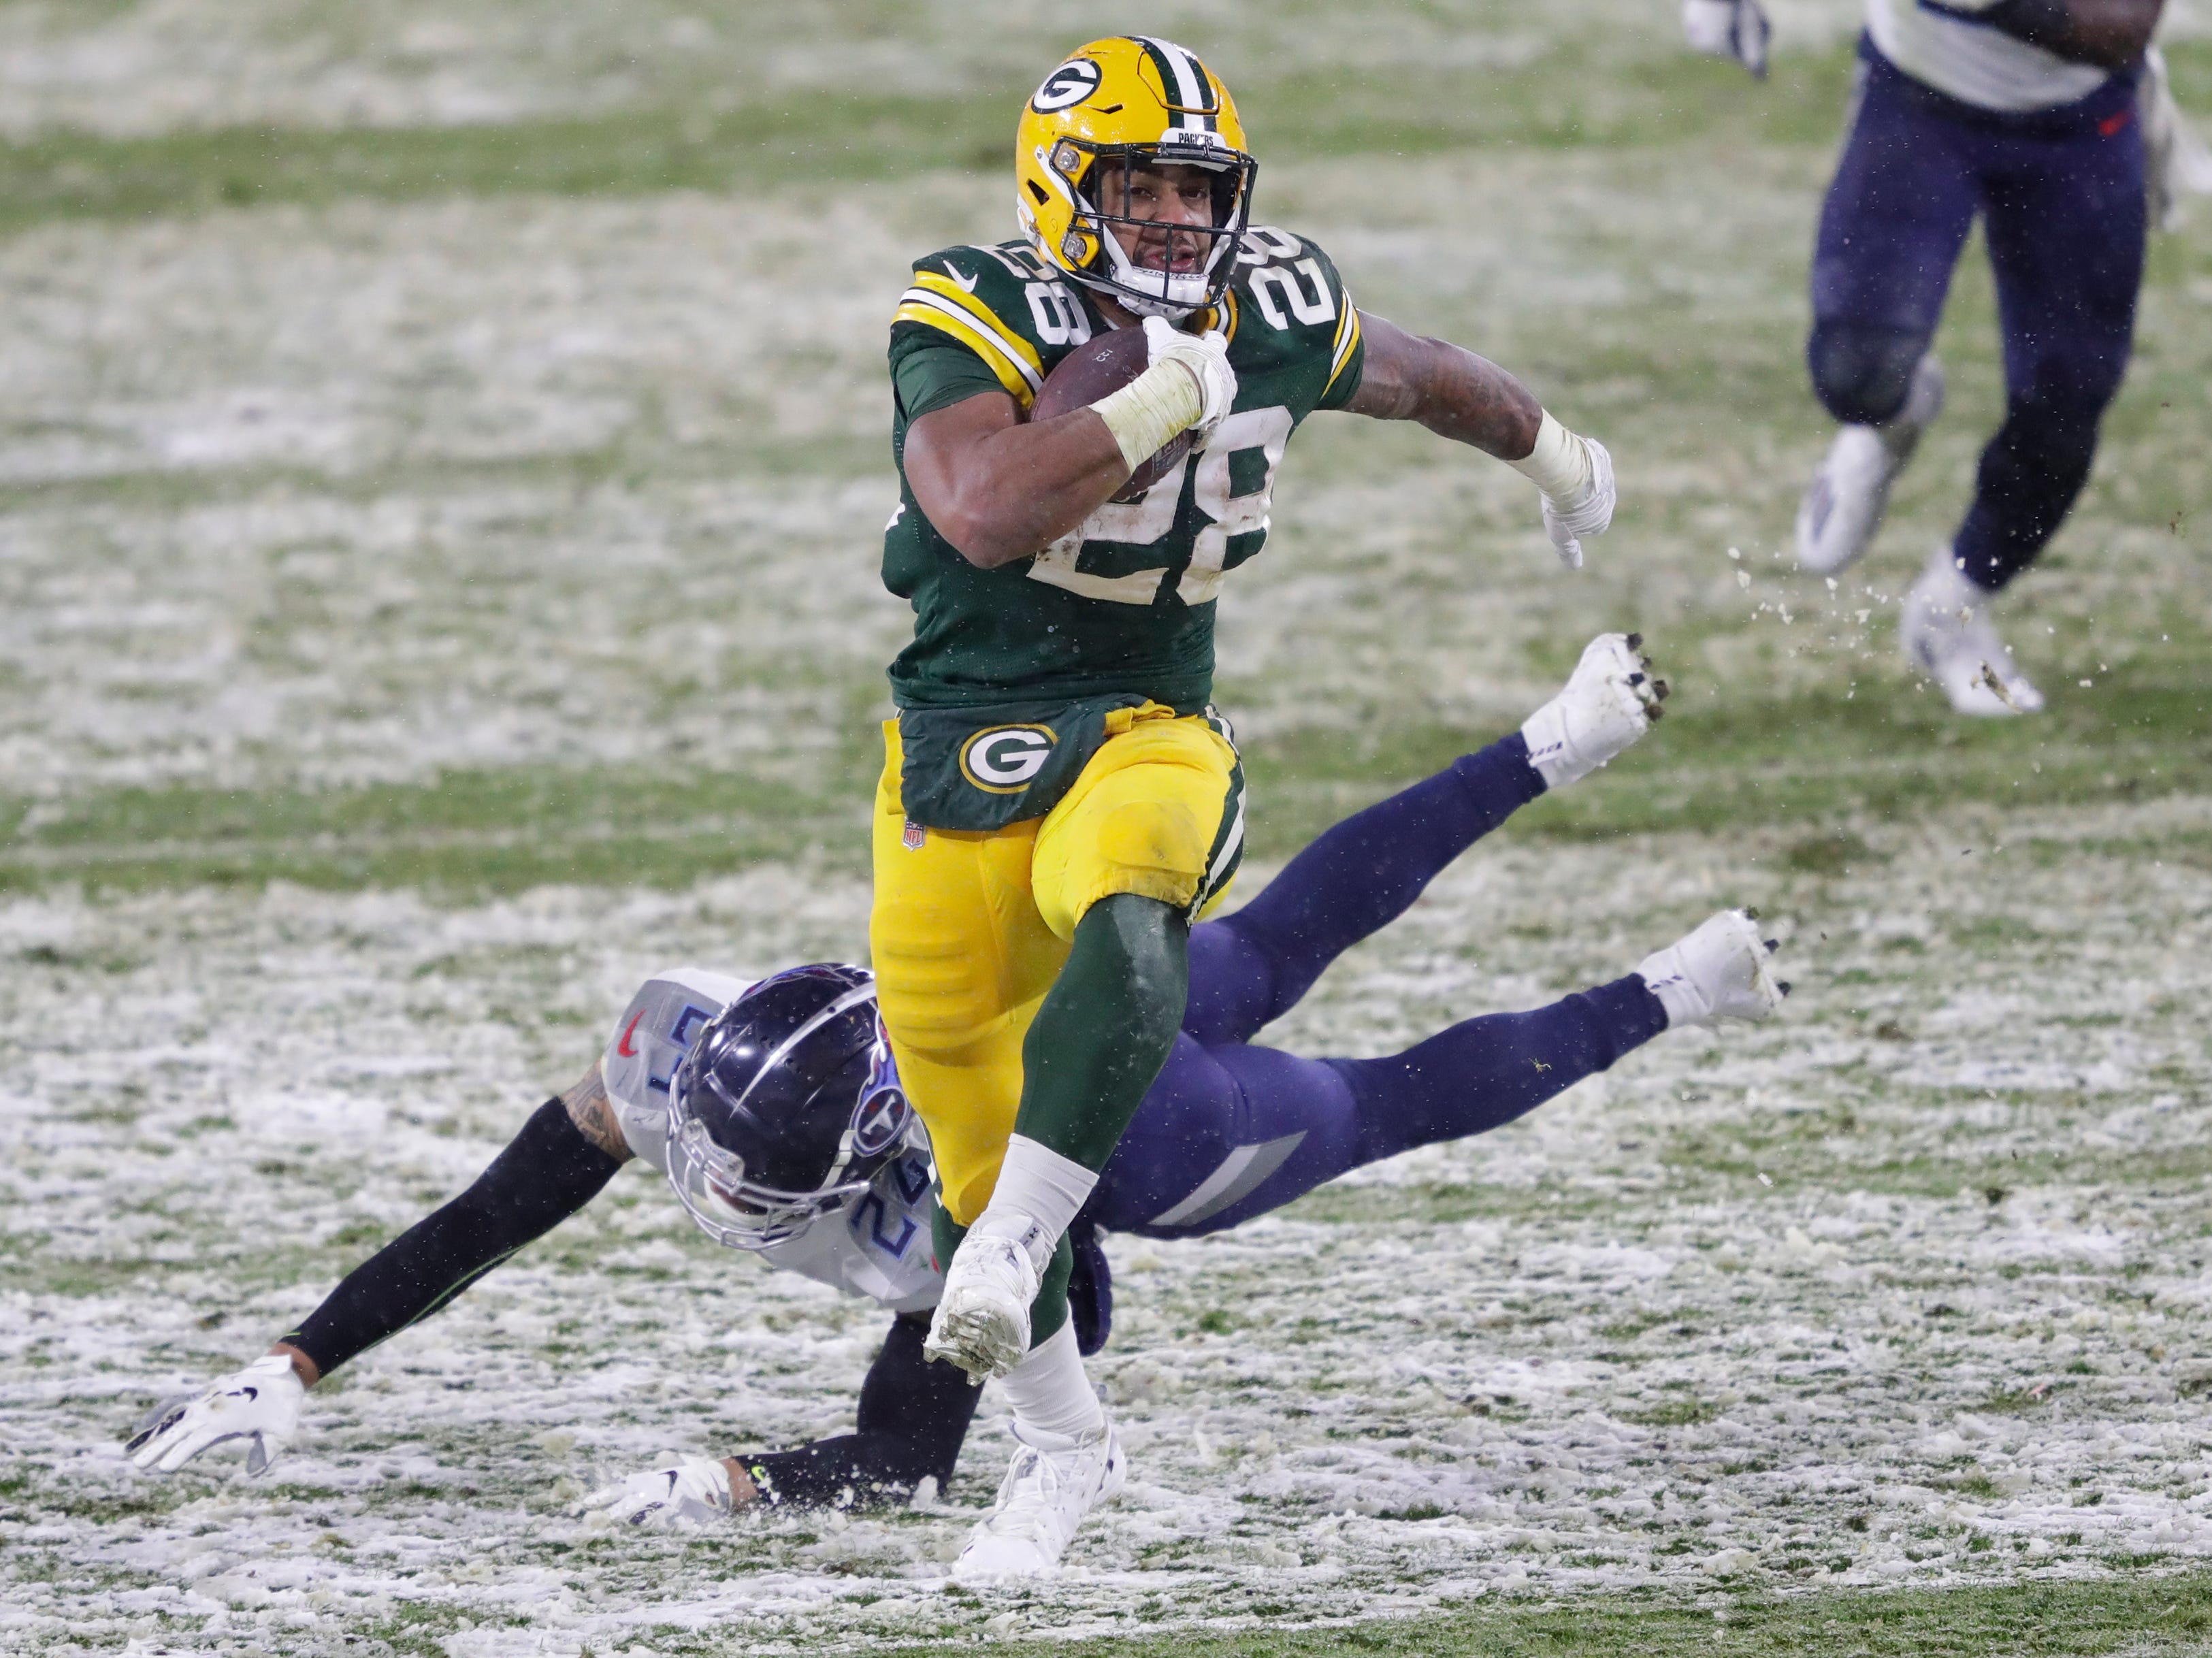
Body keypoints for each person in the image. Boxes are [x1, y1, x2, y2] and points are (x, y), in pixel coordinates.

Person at [125, 637, 1789, 1580]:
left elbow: (916, 1448)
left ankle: (1671, 984)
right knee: (1275, 938)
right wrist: (298, 1359)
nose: (697, 1173)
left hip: (1136, 1140)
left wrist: (733, 1482)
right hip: (1033, 1015)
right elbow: (513, 1197)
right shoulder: (700, 1051)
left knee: (1381, 1098)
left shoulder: (949, 1199)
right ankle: (1554, 741)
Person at [871, 35, 1620, 1572]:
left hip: (1147, 714)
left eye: (1194, 188)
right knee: (961, 1124)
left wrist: (1556, 453)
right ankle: (1064, 1446)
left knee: (1138, 895)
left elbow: (1422, 379)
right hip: (957, 736)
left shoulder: (1267, 300)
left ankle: (1025, 1235)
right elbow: (982, 509)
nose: (1169, 218)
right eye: (1136, 188)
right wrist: (1149, 404)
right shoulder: (973, 301)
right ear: (1063, 189)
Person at [1749, 0, 2166, 715]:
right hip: (1920, 96)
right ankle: (1891, 422)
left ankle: (1951, 607)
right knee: (1856, 371)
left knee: (2065, 412)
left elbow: (2121, 28)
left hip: (2079, 122)